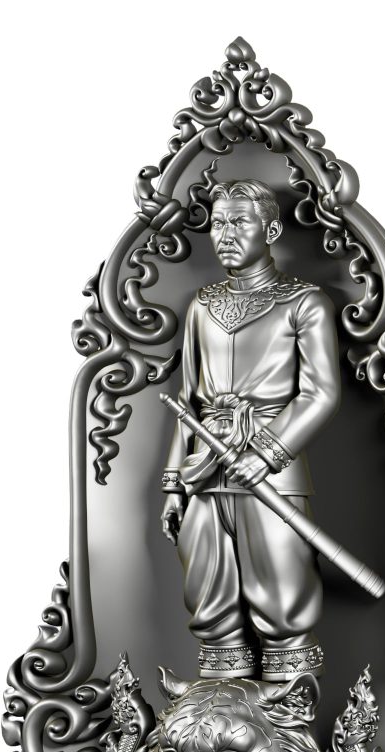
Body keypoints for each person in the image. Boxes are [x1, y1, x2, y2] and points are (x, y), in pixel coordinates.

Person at [160, 179, 341, 682]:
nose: (225, 234)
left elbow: (321, 393)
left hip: (271, 477)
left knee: (284, 605)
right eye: (218, 223)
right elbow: (188, 403)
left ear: (271, 230)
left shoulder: (304, 303)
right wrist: (174, 485)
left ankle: (292, 722)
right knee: (211, 608)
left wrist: (266, 453)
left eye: (239, 221)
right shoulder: (201, 306)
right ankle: (223, 717)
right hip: (203, 474)